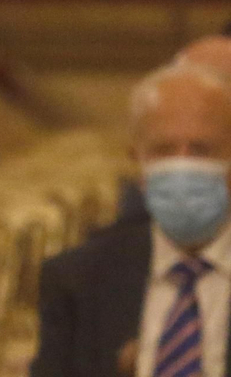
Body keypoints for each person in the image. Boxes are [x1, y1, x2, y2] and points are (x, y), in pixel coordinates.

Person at [32, 61, 231, 377]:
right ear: (137, 163)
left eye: (201, 149)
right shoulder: (78, 280)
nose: (182, 166)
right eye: (164, 150)